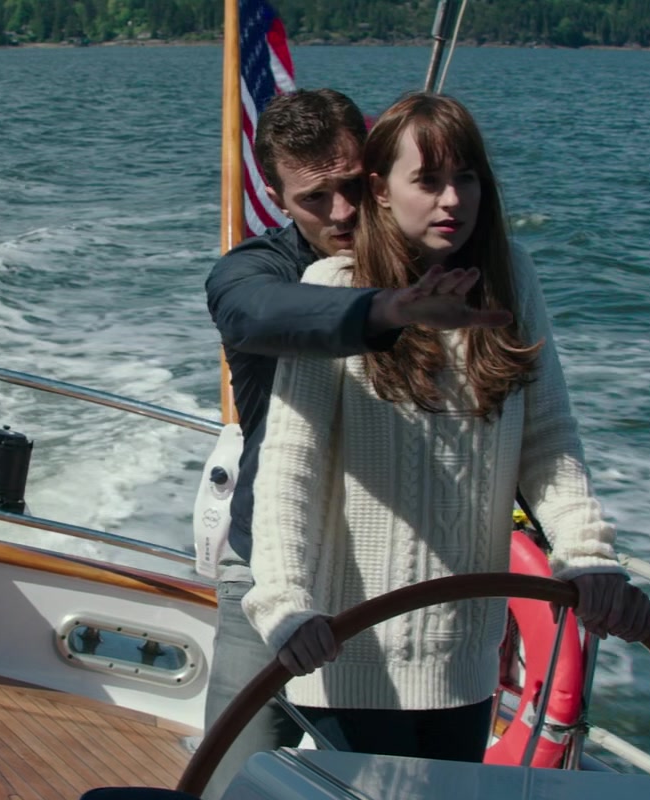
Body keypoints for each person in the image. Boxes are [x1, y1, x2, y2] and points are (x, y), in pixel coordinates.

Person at [239, 92, 650, 763]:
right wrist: (285, 601)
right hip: (347, 650)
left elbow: (548, 440)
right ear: (381, 190)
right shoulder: (332, 285)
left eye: (466, 178)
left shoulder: (511, 277)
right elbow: (293, 467)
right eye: (428, 181)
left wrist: (587, 555)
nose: (452, 200)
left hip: (467, 662)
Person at [201, 88, 513, 799]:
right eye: (315, 198)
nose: (341, 213)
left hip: (388, 580)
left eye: (350, 187)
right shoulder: (251, 274)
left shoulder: (438, 267)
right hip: (269, 567)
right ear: (277, 198)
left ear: (374, 175)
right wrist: (387, 309)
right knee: (226, 779)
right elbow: (259, 312)